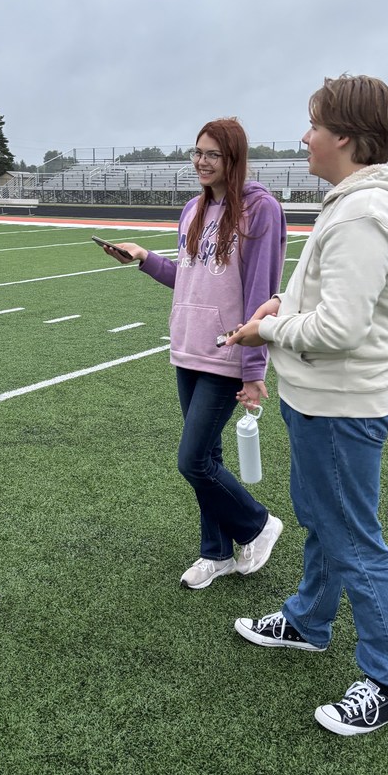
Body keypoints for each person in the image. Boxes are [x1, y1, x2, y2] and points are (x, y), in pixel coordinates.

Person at [227, 75, 388, 735]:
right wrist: (281, 305)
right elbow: (327, 302)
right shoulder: (360, 202)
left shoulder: (363, 211)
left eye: (314, 125)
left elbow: (339, 330)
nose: (305, 137)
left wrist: (267, 329)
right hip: (328, 400)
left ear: (345, 137)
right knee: (325, 521)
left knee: (353, 537)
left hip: (340, 406)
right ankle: (308, 620)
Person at [98, 118, 287, 589]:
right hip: (186, 347)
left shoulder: (260, 209)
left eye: (212, 154)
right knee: (210, 458)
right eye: (197, 152)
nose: (201, 162)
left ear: (234, 159)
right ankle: (216, 553)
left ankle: (258, 524)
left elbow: (262, 290)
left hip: (226, 350)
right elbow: (187, 279)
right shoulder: (192, 209)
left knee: (193, 461)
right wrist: (143, 259)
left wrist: (253, 368)